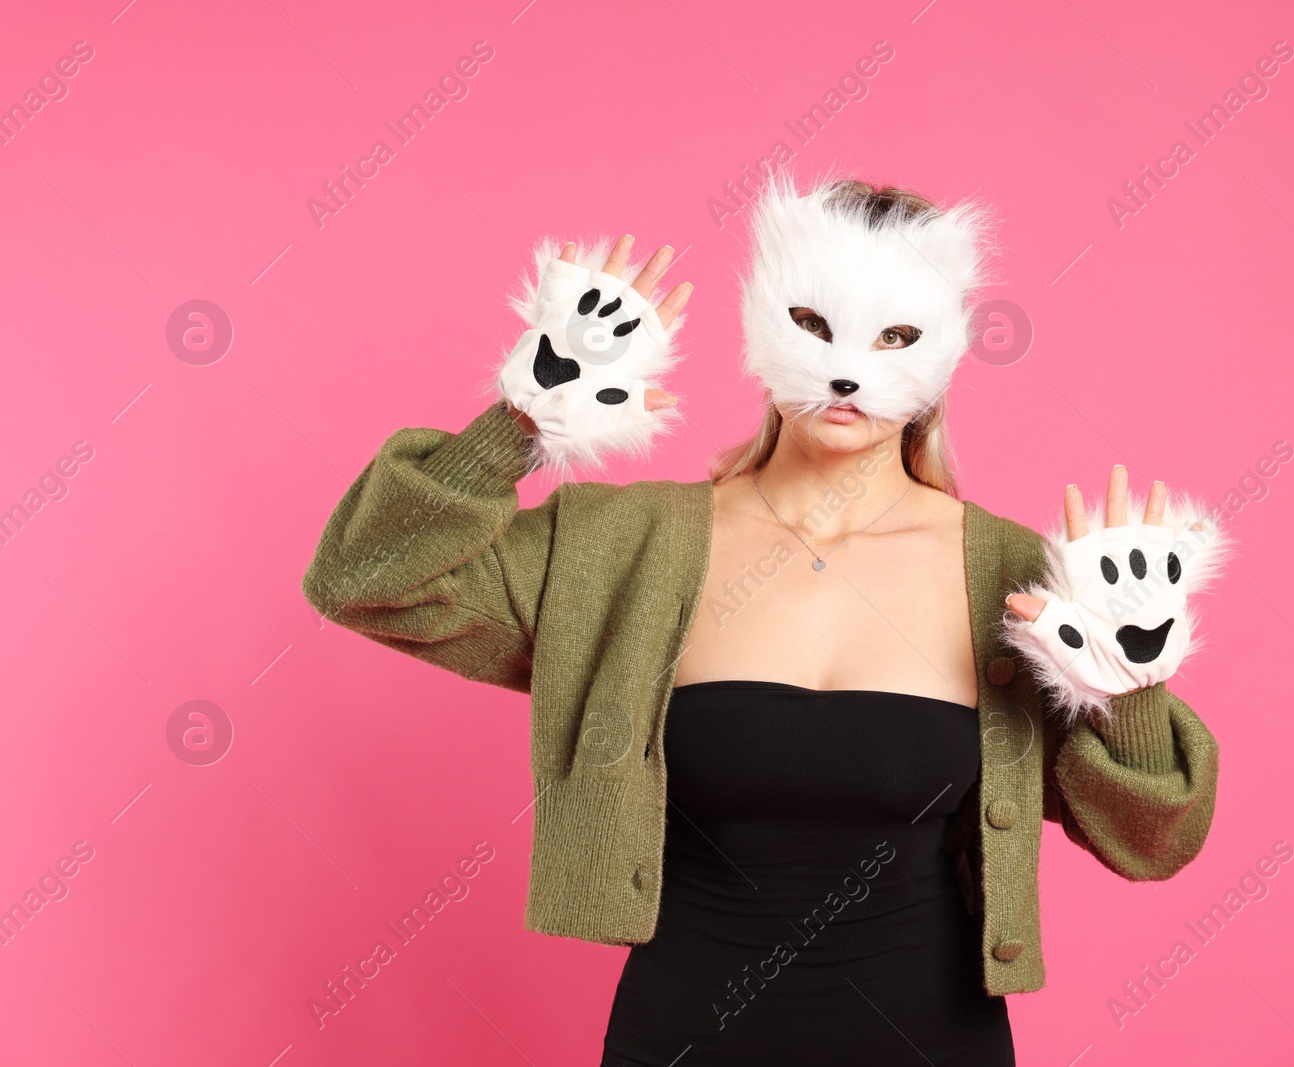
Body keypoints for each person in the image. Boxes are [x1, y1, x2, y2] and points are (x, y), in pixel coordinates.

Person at [302, 174, 1226, 1066]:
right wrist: (519, 420)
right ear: (763, 317)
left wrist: (1131, 690)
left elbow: (1155, 843)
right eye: (816, 324)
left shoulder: (1017, 579)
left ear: (941, 351)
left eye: (895, 335)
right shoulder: (623, 547)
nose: (849, 370)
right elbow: (362, 579)